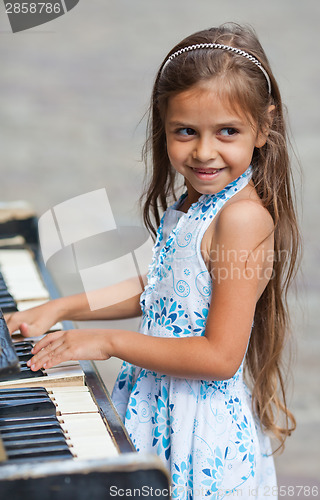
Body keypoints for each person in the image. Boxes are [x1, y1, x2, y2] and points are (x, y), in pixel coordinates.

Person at [6, 23, 301, 499]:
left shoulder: (242, 218)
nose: (204, 152)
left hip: (198, 435)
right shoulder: (192, 205)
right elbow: (161, 290)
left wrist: (107, 341)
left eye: (227, 131)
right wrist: (64, 308)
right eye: (186, 132)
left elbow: (221, 357)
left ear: (264, 127)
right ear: (163, 125)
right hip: (159, 405)